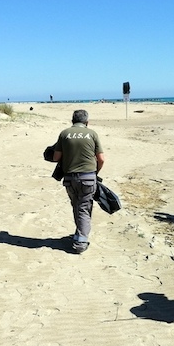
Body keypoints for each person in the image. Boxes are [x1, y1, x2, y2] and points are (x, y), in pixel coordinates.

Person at [53, 109, 105, 254]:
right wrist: (95, 173)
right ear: (86, 122)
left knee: (76, 206)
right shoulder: (92, 134)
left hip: (69, 178)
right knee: (83, 207)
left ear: (72, 120)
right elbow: (101, 159)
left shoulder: (64, 133)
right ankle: (81, 242)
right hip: (88, 177)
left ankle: (79, 233)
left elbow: (56, 157)